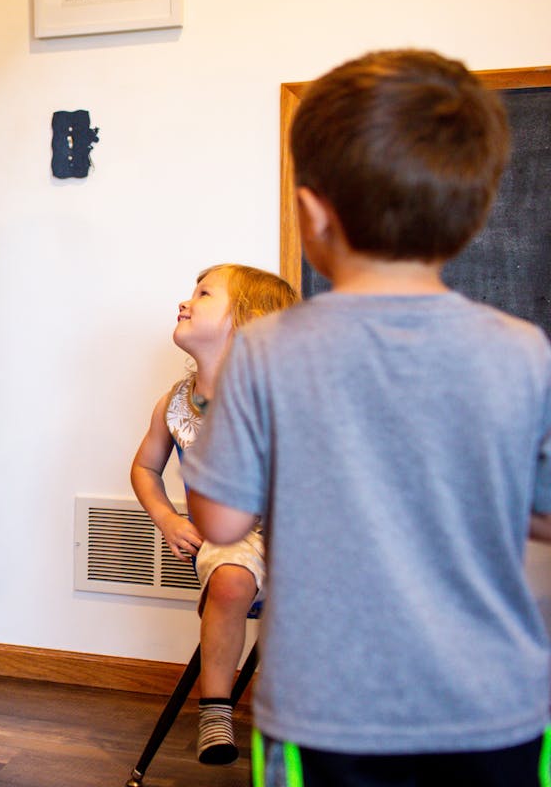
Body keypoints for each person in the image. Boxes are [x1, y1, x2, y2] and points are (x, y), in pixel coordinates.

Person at [183, 49, 551, 786]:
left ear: (313, 213)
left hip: (328, 709)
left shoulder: (266, 352)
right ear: (475, 216)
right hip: (494, 705)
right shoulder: (524, 351)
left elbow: (220, 524)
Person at [128, 264, 297, 764]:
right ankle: (216, 710)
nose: (185, 301)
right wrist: (167, 519)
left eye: (203, 294)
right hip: (234, 534)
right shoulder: (174, 404)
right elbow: (144, 468)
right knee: (228, 578)